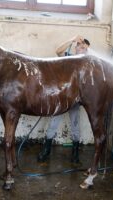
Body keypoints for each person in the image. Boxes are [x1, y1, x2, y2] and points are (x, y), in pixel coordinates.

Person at [37, 35, 90, 163]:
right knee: (53, 124)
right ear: (76, 47)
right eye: (79, 46)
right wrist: (72, 39)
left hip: (76, 100)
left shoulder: (87, 63)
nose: (80, 48)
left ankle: (75, 154)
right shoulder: (68, 57)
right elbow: (58, 51)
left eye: (84, 47)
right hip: (61, 98)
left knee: (75, 125)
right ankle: (46, 150)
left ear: (87, 50)